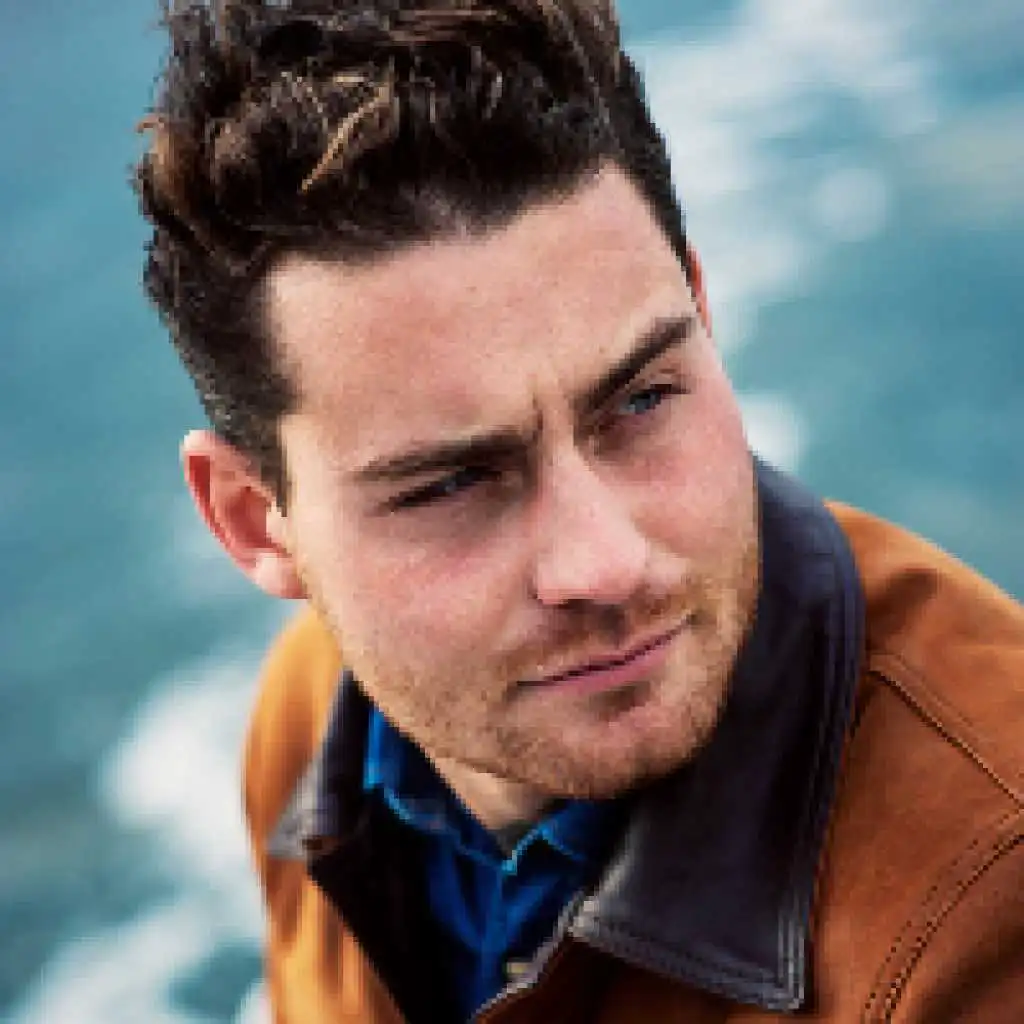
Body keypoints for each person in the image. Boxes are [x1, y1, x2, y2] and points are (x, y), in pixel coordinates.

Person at [133, 2, 1023, 1021]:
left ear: (700, 311)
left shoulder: (986, 898)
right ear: (257, 522)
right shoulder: (313, 712)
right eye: (450, 484)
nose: (604, 562)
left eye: (641, 400)